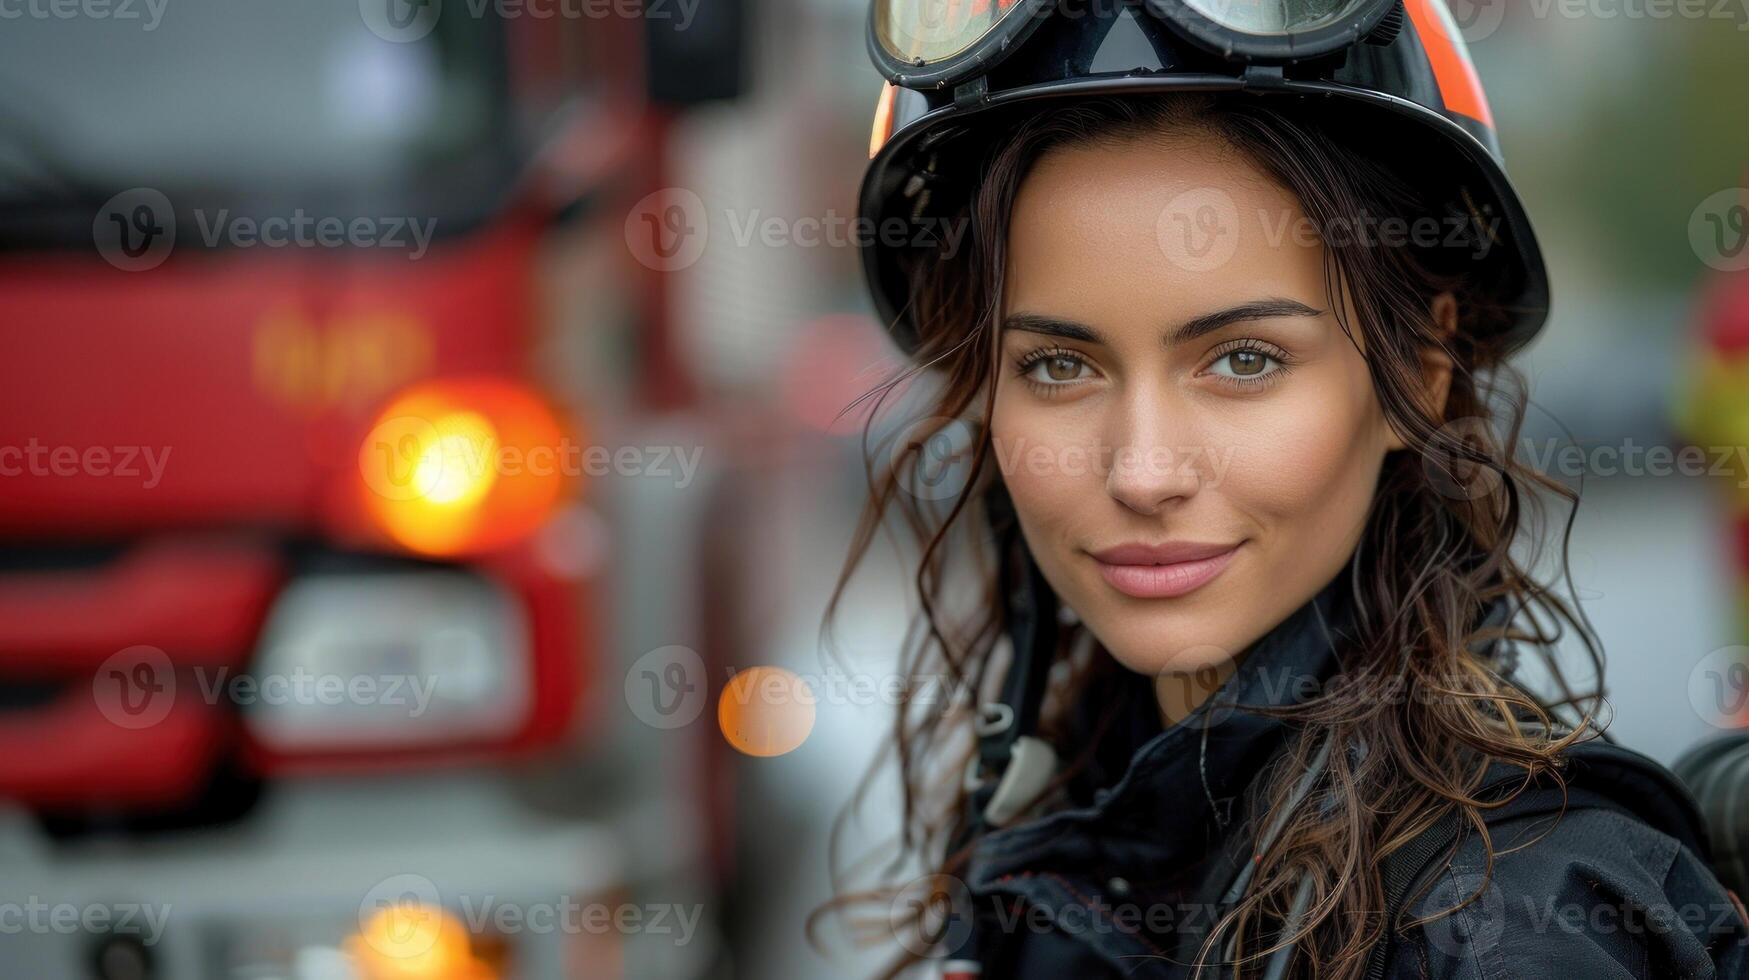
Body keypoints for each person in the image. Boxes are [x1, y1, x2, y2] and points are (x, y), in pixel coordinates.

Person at [819, 1, 1749, 977]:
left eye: (1245, 358)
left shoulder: (1509, 925)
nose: (1143, 472)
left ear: (1422, 366)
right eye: (1058, 365)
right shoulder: (1081, 851)